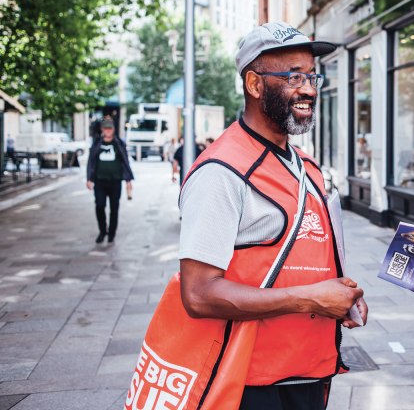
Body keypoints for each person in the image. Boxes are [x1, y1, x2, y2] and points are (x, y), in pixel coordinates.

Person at [177, 21, 368, 410]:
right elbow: (197, 294)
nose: (310, 89)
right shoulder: (221, 172)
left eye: (312, 76)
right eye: (294, 76)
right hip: (251, 382)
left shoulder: (308, 167)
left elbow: (303, 257)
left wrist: (339, 297)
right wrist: (311, 299)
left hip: (311, 370)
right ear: (254, 84)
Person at [86, 116, 134, 243]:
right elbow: (91, 161)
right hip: (100, 181)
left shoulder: (119, 143)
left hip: (115, 181)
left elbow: (125, 161)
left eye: (110, 128)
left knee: (114, 208)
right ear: (102, 129)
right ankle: (103, 231)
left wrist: (128, 179)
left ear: (113, 129)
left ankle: (111, 233)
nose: (107, 131)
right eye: (105, 128)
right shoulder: (97, 143)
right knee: (99, 206)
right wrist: (89, 178)